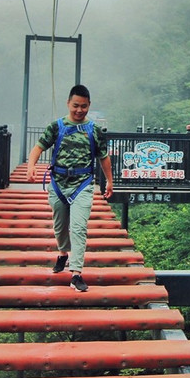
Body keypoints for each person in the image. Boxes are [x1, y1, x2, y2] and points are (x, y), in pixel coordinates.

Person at [26, 85, 113, 293]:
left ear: (89, 105)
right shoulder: (56, 127)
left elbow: (103, 157)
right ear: (68, 103)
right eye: (76, 106)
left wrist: (109, 181)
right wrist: (31, 166)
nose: (79, 110)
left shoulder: (94, 130)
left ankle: (76, 274)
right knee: (60, 226)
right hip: (58, 183)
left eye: (84, 106)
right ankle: (63, 253)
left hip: (83, 183)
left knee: (78, 227)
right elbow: (38, 147)